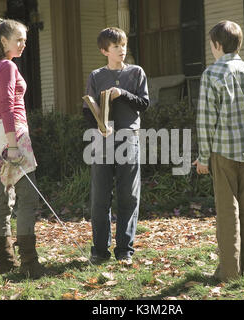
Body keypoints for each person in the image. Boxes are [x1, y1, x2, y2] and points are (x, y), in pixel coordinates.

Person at [193, 20, 244, 282]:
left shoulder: (211, 74)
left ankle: (229, 273)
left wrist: (203, 158)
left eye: (211, 45)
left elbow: (206, 122)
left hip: (223, 153)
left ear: (217, 45)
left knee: (228, 211)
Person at [0, 18, 45, 278]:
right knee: (28, 199)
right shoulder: (7, 66)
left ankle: (4, 262)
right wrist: (14, 146)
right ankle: (29, 263)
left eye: (25, 39)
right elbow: (7, 106)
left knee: (2, 201)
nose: (23, 44)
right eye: (19, 39)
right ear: (3, 41)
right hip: (11, 135)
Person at [82, 27, 149, 265]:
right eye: (116, 46)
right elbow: (87, 111)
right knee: (100, 197)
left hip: (128, 138)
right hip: (101, 141)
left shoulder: (136, 73)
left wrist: (122, 93)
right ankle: (99, 251)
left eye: (124, 45)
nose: (122, 50)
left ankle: (125, 251)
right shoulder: (96, 76)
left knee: (128, 196)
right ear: (104, 51)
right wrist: (100, 127)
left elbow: (144, 103)